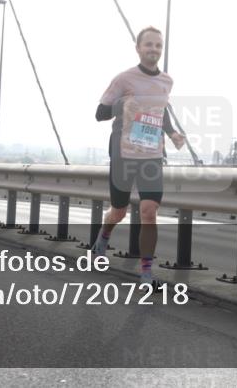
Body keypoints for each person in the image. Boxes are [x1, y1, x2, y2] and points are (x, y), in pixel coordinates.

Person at [91, 27, 185, 289]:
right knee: (119, 212)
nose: (154, 49)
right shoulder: (124, 79)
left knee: (149, 212)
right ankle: (102, 239)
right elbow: (99, 113)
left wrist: (172, 133)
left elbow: (160, 112)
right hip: (123, 154)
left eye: (158, 45)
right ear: (138, 48)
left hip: (151, 154)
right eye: (149, 45)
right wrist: (121, 105)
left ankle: (146, 274)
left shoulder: (167, 81)